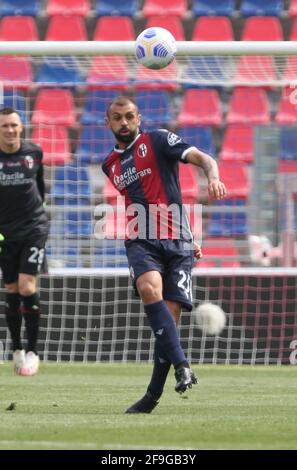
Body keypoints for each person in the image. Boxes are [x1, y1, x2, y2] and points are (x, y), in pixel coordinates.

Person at [102, 96, 227, 413]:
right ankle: (183, 365)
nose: (124, 122)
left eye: (129, 116)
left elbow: (203, 158)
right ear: (108, 122)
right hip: (141, 239)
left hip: (178, 242)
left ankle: (151, 397)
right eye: (117, 118)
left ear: (138, 118)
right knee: (148, 288)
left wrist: (212, 176)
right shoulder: (110, 166)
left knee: (168, 323)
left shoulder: (157, 140)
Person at [0, 108, 49, 376]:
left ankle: (33, 352)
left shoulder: (34, 153)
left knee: (26, 286)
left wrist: (38, 213)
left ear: (21, 127)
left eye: (14, 125)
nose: (10, 130)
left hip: (34, 227)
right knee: (11, 289)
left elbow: (40, 188)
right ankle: (17, 348)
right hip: (5, 233)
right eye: (5, 125)